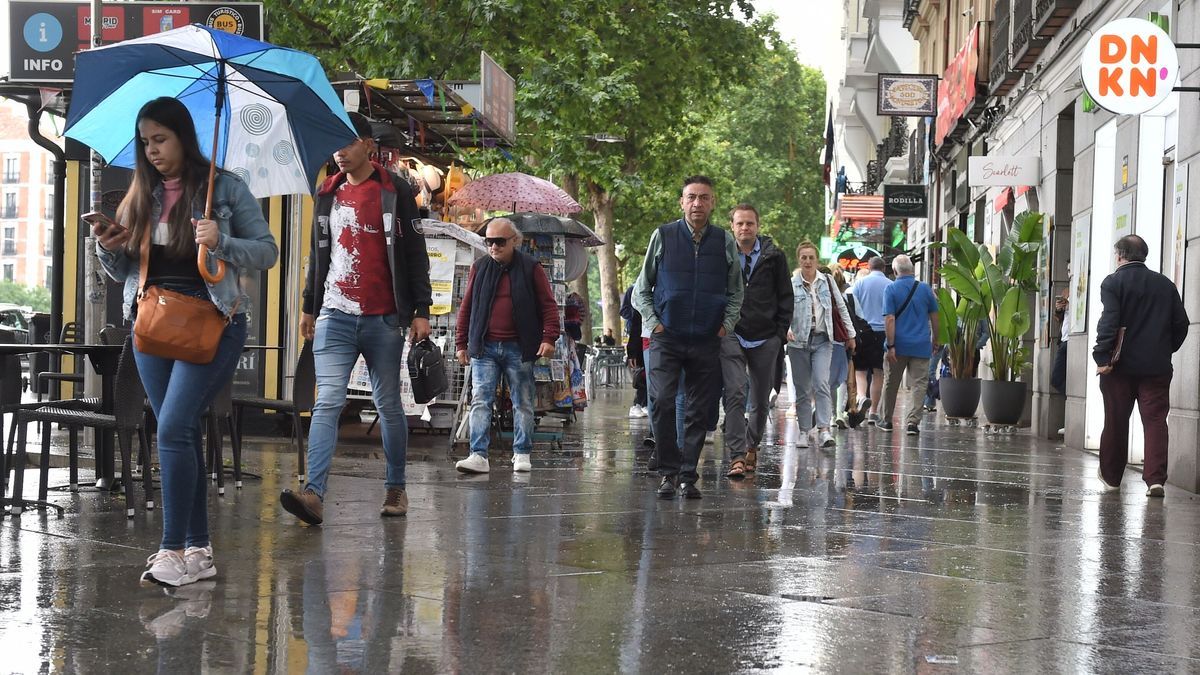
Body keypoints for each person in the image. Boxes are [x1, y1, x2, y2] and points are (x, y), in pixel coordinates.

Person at [94, 97, 278, 587]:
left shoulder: (226, 187)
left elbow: (266, 252)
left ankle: (171, 549)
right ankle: (199, 551)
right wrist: (107, 248)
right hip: (151, 324)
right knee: (179, 433)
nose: (152, 150)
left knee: (173, 427)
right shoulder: (141, 193)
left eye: (161, 139)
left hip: (212, 323)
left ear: (182, 137)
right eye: (145, 142)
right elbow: (127, 271)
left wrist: (221, 240)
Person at [280, 112, 432, 526]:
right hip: (335, 313)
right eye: (334, 144)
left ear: (368, 145)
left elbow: (415, 256)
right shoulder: (327, 193)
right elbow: (319, 256)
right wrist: (310, 307)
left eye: (347, 143)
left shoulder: (396, 190)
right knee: (327, 401)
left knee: (387, 404)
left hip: (384, 317)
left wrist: (421, 310)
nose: (339, 153)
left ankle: (396, 487)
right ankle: (313, 494)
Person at [634, 175, 743, 500]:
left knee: (699, 408)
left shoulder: (724, 241)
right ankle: (668, 472)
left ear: (712, 203)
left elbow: (737, 290)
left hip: (707, 338)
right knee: (663, 402)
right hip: (667, 337)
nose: (697, 203)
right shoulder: (664, 236)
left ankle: (687, 476)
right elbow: (642, 289)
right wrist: (655, 324)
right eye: (691, 197)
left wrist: (726, 325)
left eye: (704, 198)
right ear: (682, 202)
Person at [454, 217, 560, 474]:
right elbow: (467, 306)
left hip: (519, 346)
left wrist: (549, 338)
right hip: (485, 347)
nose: (493, 247)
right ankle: (478, 454)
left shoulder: (531, 268)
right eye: (488, 241)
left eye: (499, 242)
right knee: (480, 399)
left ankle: (522, 453)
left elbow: (548, 305)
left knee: (522, 401)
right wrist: (461, 342)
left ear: (515, 241)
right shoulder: (479, 268)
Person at [1094, 235, 1188, 497]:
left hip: (1118, 368)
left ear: (1120, 256)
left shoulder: (1113, 282)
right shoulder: (1165, 285)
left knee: (1116, 420)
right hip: (1156, 368)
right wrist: (1163, 349)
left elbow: (1109, 322)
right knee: (1156, 421)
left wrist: (1102, 357)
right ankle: (1155, 480)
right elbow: (1181, 324)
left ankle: (1112, 478)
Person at [723, 203, 792, 479]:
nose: (744, 228)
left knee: (760, 400)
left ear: (757, 226)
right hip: (732, 334)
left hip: (766, 338)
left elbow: (786, 297)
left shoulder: (775, 257)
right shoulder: (723, 254)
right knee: (735, 392)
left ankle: (752, 445)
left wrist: (778, 335)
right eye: (739, 223)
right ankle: (737, 456)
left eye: (749, 223)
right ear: (732, 226)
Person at [786, 242, 855, 449]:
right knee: (802, 389)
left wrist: (850, 334)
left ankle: (824, 429)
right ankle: (804, 431)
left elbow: (841, 307)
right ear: (799, 260)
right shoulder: (791, 283)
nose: (807, 261)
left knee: (821, 383)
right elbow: (785, 310)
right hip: (798, 342)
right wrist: (786, 328)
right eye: (804, 257)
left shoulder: (827, 281)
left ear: (817, 260)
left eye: (811, 257)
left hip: (823, 341)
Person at [878, 255, 938, 434]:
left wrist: (890, 346)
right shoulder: (925, 289)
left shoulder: (891, 289)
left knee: (891, 383)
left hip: (898, 346)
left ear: (895, 271)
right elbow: (935, 316)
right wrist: (936, 339)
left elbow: (889, 319)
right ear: (912, 270)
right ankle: (912, 423)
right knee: (919, 384)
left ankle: (886, 420)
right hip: (921, 345)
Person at [851, 255, 890, 424]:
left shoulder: (860, 284)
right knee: (878, 373)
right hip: (882, 333)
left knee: (860, 370)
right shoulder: (890, 284)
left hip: (863, 331)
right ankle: (874, 412)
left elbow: (852, 306)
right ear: (884, 268)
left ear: (869, 267)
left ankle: (861, 397)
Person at [824, 266, 854, 429]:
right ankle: (838, 413)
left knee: (825, 381)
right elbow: (851, 317)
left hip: (825, 342)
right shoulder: (842, 298)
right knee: (839, 379)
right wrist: (852, 337)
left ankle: (831, 414)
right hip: (839, 343)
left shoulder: (821, 296)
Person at [621, 286, 648, 418]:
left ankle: (644, 404)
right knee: (643, 374)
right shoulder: (636, 291)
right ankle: (639, 403)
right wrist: (632, 351)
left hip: (648, 341)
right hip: (643, 342)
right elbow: (635, 324)